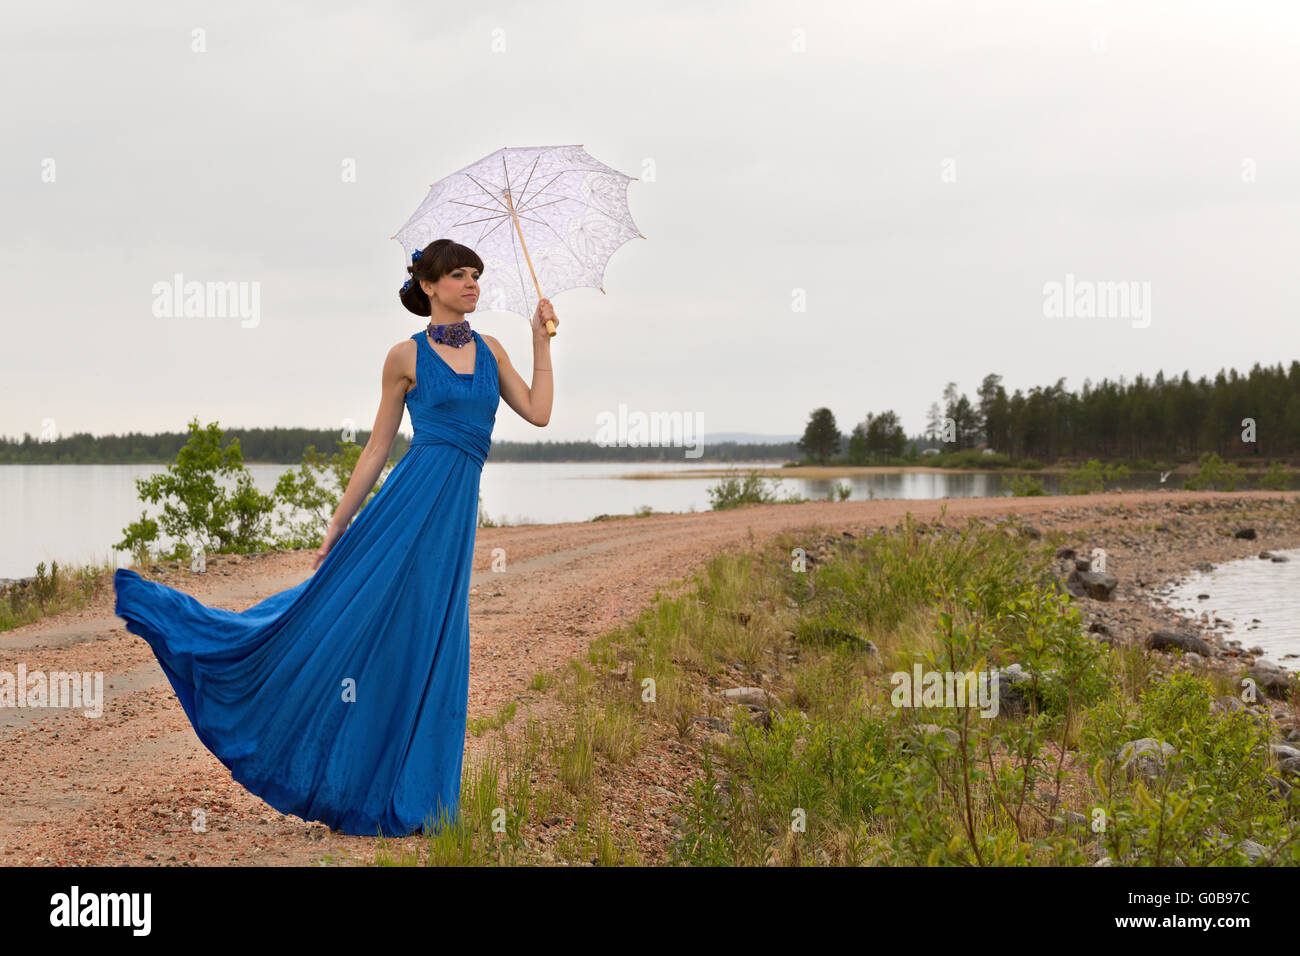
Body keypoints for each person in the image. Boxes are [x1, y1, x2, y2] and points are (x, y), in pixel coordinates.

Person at [113, 238, 558, 836]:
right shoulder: (404, 356)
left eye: (476, 275)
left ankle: (422, 795)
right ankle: (336, 762)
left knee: (433, 637)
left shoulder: (493, 349)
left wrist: (540, 340)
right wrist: (339, 520)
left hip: (453, 518)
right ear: (429, 287)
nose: (471, 284)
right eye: (458, 275)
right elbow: (378, 446)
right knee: (355, 620)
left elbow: (538, 411)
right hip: (406, 508)